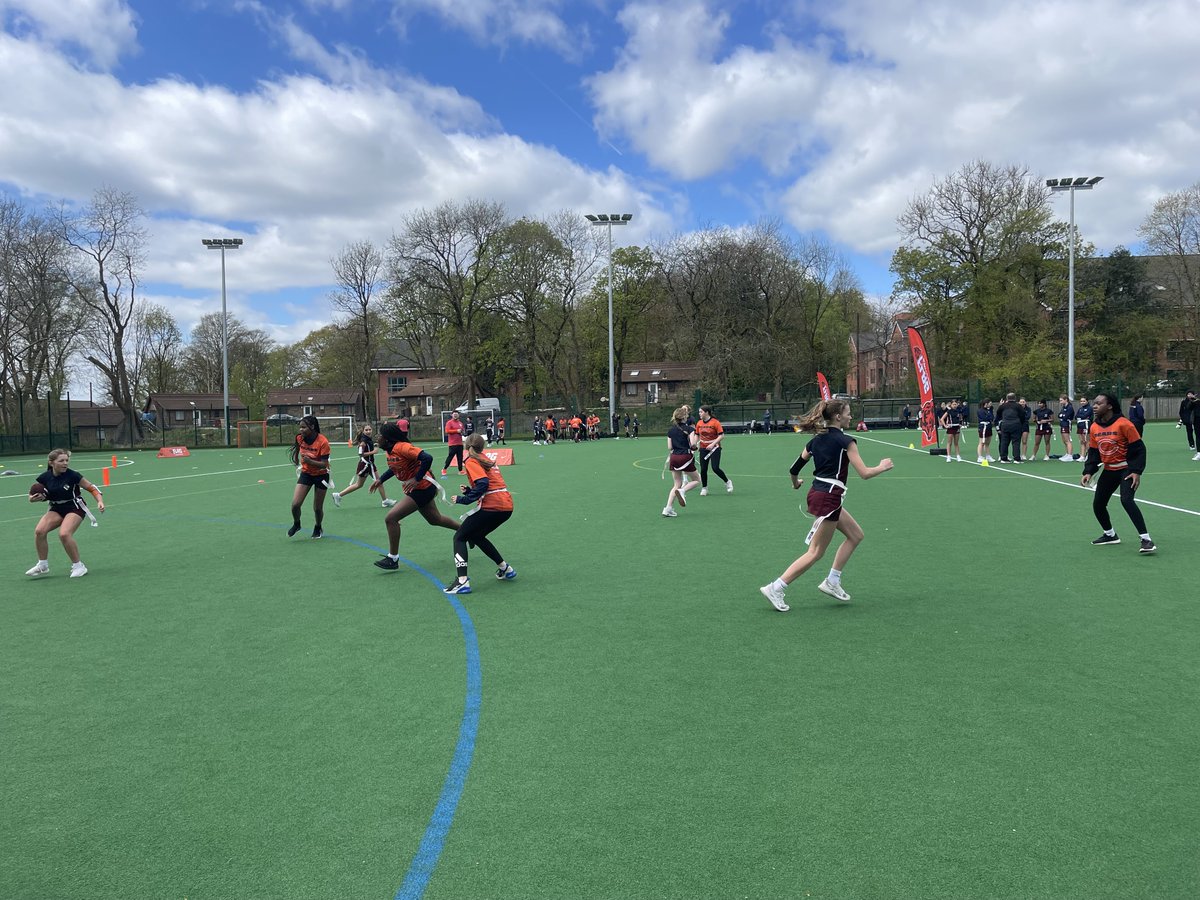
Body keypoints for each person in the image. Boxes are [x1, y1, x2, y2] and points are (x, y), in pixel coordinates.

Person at [759, 399, 894, 611]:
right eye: (848, 413)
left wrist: (796, 484)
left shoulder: (815, 440)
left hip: (820, 494)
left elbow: (794, 468)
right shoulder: (846, 442)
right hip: (829, 498)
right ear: (838, 416)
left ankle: (833, 581)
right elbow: (865, 473)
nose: (851, 416)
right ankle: (776, 587)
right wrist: (882, 466)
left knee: (856, 535)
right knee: (815, 552)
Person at [369, 422, 460, 570]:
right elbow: (395, 468)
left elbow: (427, 458)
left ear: (388, 439)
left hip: (423, 488)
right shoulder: (390, 450)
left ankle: (393, 559)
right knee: (435, 519)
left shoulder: (402, 447)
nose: (378, 437)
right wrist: (380, 480)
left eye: (381, 435)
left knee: (391, 518)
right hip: (419, 489)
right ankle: (466, 531)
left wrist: (417, 478)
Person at [1081, 393, 1155, 553]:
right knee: (1098, 504)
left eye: (1099, 403)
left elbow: (1139, 449)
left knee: (1126, 500)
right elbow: (1093, 452)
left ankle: (1146, 540)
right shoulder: (1094, 427)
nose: (1094, 406)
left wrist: (1136, 471)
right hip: (1109, 470)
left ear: (1109, 406)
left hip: (1126, 469)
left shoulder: (1124, 424)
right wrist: (1089, 471)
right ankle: (1110, 535)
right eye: (1094, 403)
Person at [442, 433, 516, 595]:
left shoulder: (472, 460)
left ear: (467, 446)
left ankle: (462, 582)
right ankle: (505, 568)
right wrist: (470, 490)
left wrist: (464, 499)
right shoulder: (485, 458)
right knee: (476, 536)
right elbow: (488, 484)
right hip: (506, 505)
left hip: (493, 505)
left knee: (459, 537)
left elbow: (483, 483)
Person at [26, 448, 105, 578]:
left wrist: (100, 501)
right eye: (61, 461)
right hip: (56, 508)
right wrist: (31, 499)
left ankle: (79, 566)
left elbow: (92, 488)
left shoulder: (73, 475)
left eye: (67, 460)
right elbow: (32, 494)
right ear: (51, 463)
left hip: (74, 507)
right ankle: (42, 565)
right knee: (39, 531)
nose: (65, 463)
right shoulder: (45, 477)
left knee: (64, 534)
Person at [333, 425, 396, 509]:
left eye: (370, 429)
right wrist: (373, 452)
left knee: (362, 484)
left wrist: (375, 446)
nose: (368, 431)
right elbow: (360, 454)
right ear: (363, 431)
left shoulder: (368, 439)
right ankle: (385, 501)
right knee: (375, 482)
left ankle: (338, 495)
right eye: (366, 430)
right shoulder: (363, 441)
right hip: (366, 464)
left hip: (369, 464)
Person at [289, 415, 331, 538]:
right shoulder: (300, 438)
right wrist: (297, 458)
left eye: (304, 427)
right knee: (295, 504)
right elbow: (298, 447)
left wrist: (310, 461)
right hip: (306, 474)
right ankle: (297, 524)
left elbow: (324, 465)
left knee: (317, 508)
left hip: (321, 475)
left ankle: (318, 526)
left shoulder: (323, 442)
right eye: (300, 427)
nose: (301, 430)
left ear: (312, 427)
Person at [662, 406, 700, 517]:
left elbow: (669, 447)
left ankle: (667, 508)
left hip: (674, 457)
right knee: (697, 480)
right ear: (685, 417)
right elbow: (693, 444)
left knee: (676, 484)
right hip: (685, 457)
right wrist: (694, 447)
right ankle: (683, 491)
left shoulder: (671, 430)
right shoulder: (690, 429)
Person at [695, 404, 733, 495]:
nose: (699, 414)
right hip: (703, 448)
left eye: (701, 412)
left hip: (715, 448)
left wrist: (712, 444)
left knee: (715, 468)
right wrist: (695, 444)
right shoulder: (699, 423)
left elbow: (721, 435)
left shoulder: (715, 422)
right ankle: (704, 488)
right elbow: (697, 434)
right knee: (703, 469)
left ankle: (728, 482)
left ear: (706, 412)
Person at [995, 392, 1023, 463]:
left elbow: (998, 414)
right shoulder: (1018, 406)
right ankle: (1016, 458)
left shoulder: (1003, 406)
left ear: (1007, 398)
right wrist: (1020, 423)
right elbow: (1022, 415)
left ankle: (1003, 458)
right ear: (1015, 398)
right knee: (1016, 442)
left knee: (1004, 442)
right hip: (1016, 425)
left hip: (1005, 425)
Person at [442, 410, 465, 477]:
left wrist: (462, 432)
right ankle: (444, 469)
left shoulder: (460, 423)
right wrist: (456, 431)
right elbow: (447, 431)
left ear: (458, 415)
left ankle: (460, 470)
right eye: (454, 414)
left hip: (460, 443)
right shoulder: (449, 422)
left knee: (460, 457)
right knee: (450, 457)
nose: (455, 415)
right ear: (452, 415)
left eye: (456, 414)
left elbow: (462, 431)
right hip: (452, 443)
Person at [1058, 395, 1076, 461]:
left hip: (1066, 424)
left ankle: (1070, 455)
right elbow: (1059, 415)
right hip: (1062, 424)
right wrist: (1062, 415)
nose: (1060, 402)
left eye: (1061, 400)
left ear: (1066, 400)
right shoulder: (1064, 407)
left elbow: (1065, 416)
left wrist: (1062, 415)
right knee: (1064, 440)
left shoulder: (1070, 407)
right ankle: (1067, 453)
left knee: (1067, 440)